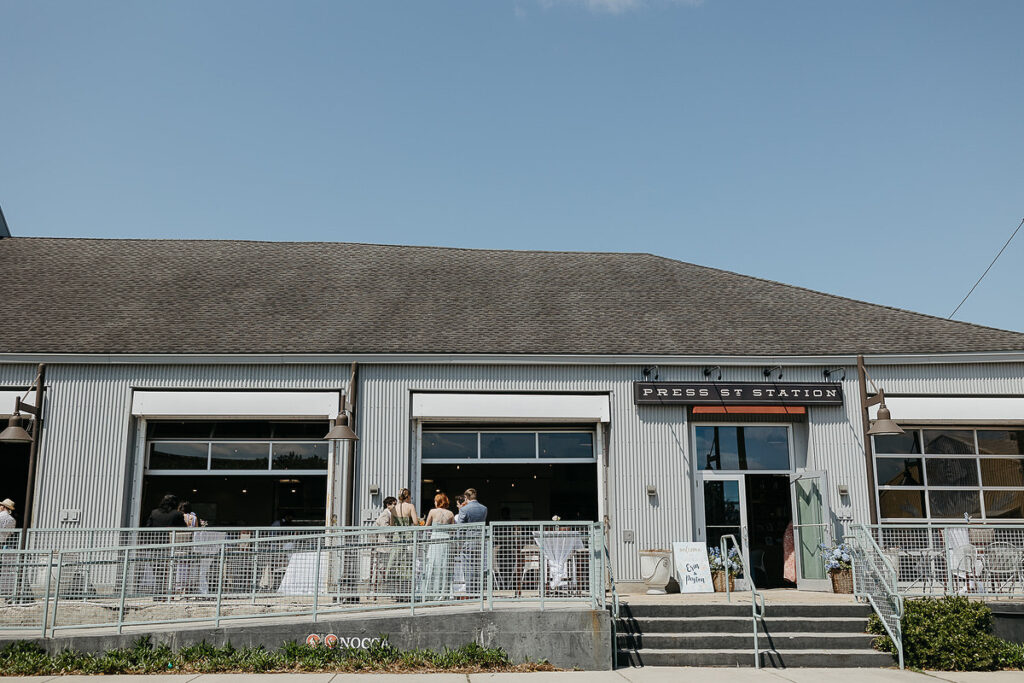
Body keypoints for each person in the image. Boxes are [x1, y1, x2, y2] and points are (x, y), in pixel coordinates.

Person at [142, 494, 186, 599]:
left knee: (157, 571)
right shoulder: (177, 514)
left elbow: (148, 528)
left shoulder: (154, 513)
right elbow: (184, 528)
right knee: (169, 571)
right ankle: (165, 593)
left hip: (154, 546)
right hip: (169, 546)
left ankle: (159, 593)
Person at [421, 493, 455, 600]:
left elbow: (427, 526)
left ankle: (430, 592)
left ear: (438, 501)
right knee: (444, 566)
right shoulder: (450, 514)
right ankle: (443, 592)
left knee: (432, 564)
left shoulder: (432, 511)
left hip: (435, 538)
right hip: (446, 539)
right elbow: (453, 529)